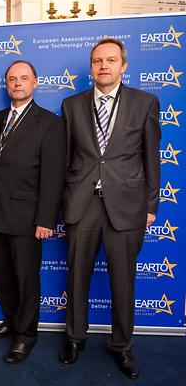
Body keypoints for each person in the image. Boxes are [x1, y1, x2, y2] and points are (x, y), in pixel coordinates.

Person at [58, 38, 161, 379]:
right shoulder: (71, 105)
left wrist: (150, 204)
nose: (104, 65)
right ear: (91, 67)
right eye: (98, 60)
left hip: (126, 206)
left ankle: (121, 346)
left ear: (123, 65)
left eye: (111, 60)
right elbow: (67, 158)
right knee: (77, 276)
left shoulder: (145, 102)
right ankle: (74, 338)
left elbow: (151, 158)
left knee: (123, 280)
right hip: (81, 205)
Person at [0, 60, 66, 363]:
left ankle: (26, 335)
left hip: (28, 218)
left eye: (23, 78)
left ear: (35, 83)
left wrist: (46, 219)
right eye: (11, 79)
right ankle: (11, 322)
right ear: (6, 85)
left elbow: (53, 176)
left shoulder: (49, 122)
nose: (17, 83)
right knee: (4, 276)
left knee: (26, 279)